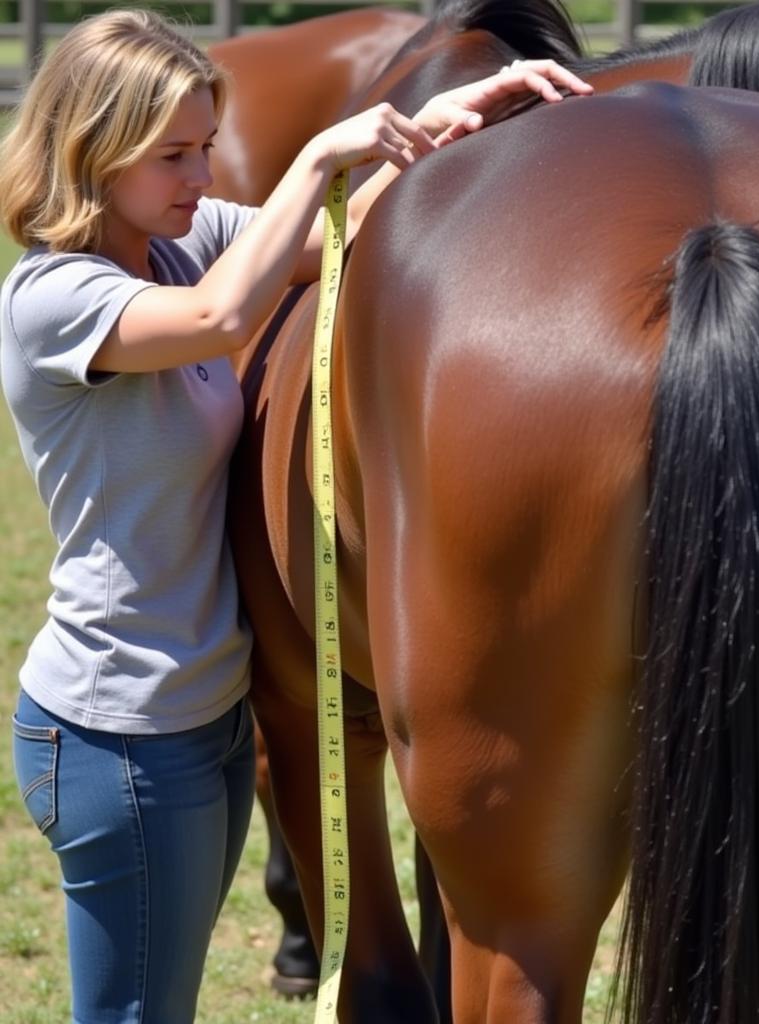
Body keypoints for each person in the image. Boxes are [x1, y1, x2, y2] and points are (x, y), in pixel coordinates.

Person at [0, 9, 592, 1022]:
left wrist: (445, 124)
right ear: (89, 151)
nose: (201, 175)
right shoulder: (52, 299)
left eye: (206, 148)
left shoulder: (178, 249)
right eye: (173, 154)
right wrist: (323, 142)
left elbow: (350, 228)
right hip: (120, 732)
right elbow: (225, 320)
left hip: (206, 711)